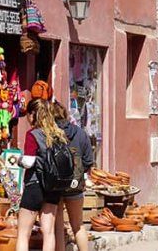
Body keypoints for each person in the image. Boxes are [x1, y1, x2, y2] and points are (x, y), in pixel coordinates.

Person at [18, 96, 65, 251]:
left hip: (35, 185)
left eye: (28, 115)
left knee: (23, 234)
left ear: (33, 114)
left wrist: (18, 160)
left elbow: (29, 162)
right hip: (54, 187)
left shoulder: (33, 134)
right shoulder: (59, 134)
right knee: (49, 232)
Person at [52, 101, 95, 251]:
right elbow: (88, 161)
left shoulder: (49, 134)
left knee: (57, 225)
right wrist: (79, 173)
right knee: (78, 225)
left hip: (55, 185)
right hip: (75, 184)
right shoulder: (80, 133)